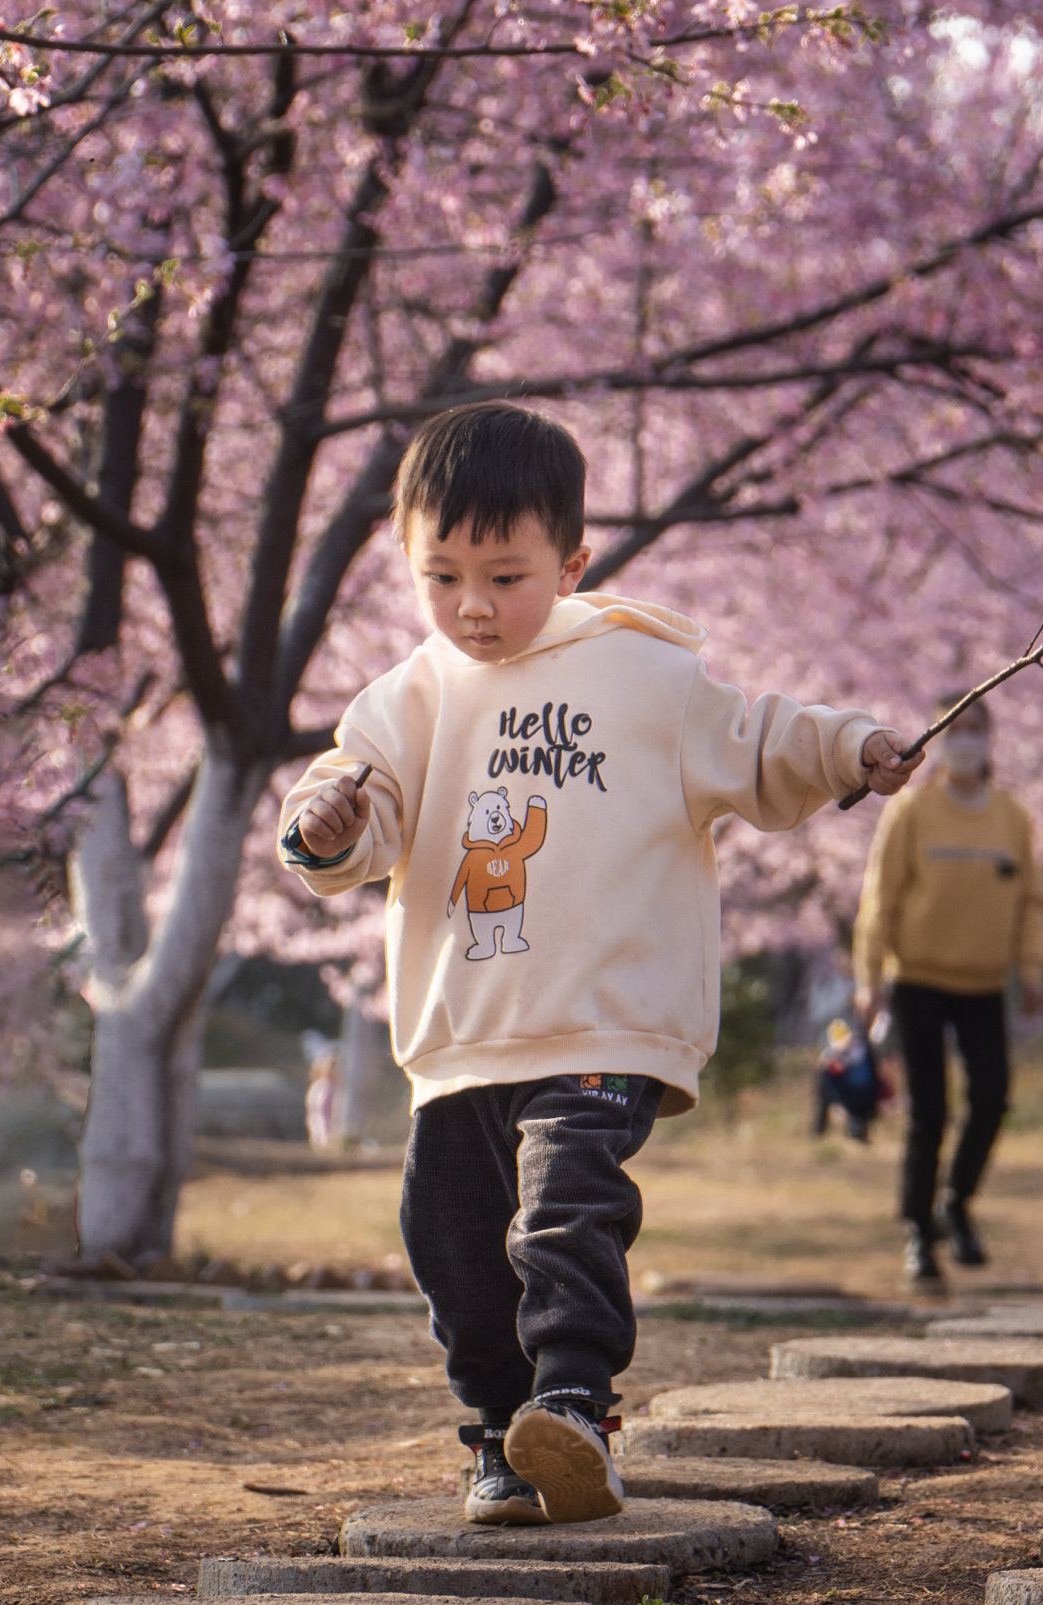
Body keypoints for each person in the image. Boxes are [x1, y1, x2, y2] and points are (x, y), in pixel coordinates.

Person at [278, 403, 920, 1528]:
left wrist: (850, 748)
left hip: (605, 1021)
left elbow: (760, 738)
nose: (474, 606)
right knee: (458, 1248)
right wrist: (327, 822)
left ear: (571, 563)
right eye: (443, 577)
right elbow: (354, 810)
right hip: (463, 1034)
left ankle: (574, 1406)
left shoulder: (644, 675)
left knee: (566, 1210)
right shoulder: (409, 698)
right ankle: (499, 1438)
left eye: (507, 575)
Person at [852, 691, 1043, 1286]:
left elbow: (1031, 900)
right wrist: (870, 979)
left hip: (985, 983)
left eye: (976, 727)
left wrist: (1032, 969)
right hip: (917, 980)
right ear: (938, 737)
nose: (966, 738)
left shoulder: (1012, 816)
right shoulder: (912, 812)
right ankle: (919, 1230)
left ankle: (956, 1202)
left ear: (990, 737)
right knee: (929, 1111)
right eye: (955, 727)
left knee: (992, 1098)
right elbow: (879, 899)